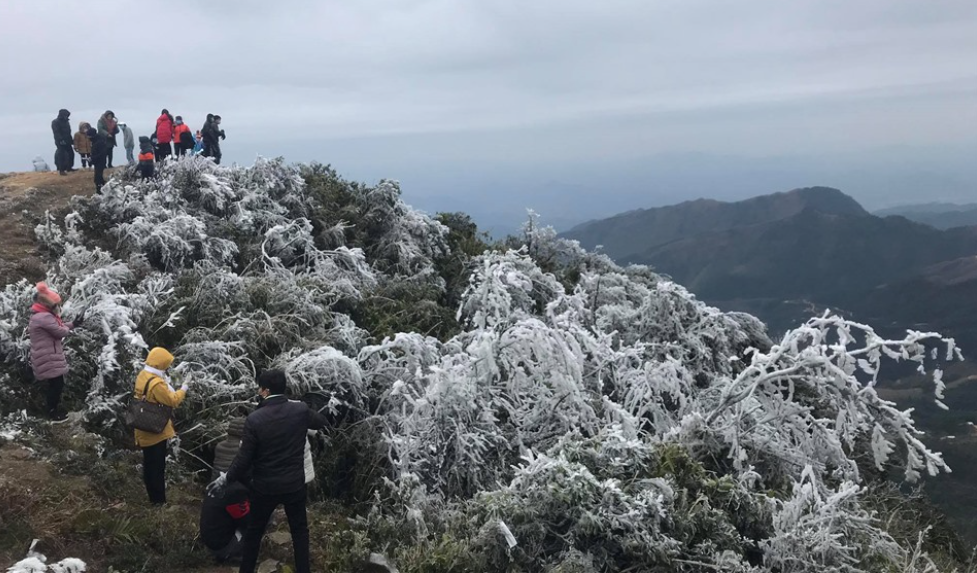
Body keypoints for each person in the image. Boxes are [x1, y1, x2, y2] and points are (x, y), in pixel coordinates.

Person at [213, 369, 327, 573]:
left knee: (254, 533)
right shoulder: (299, 410)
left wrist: (226, 478)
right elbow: (320, 421)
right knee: (300, 532)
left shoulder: (255, 419)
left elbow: (243, 459)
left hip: (265, 487)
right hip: (294, 485)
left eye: (260, 388)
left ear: (264, 391)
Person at [133, 347, 188, 505]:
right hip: (155, 430)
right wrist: (184, 387)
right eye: (167, 365)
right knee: (157, 467)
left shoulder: (143, 375)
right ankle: (159, 502)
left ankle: (153, 498)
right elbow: (173, 400)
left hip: (142, 426)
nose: (168, 368)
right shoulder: (157, 384)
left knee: (149, 464)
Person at [28, 282, 81, 420]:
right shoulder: (44, 317)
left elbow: (59, 326)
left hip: (47, 355)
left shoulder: (41, 315)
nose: (59, 307)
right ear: (50, 305)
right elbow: (60, 331)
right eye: (57, 304)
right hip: (48, 357)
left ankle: (51, 410)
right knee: (57, 385)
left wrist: (74, 324)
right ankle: (52, 413)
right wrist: (70, 328)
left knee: (54, 384)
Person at [200, 480, 251, 564]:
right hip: (222, 547)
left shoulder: (221, 482)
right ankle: (235, 555)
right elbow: (246, 521)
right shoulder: (236, 491)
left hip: (211, 540)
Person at [51, 109, 74, 175]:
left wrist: (71, 140)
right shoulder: (55, 122)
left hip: (68, 140)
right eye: (66, 115)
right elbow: (56, 132)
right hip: (60, 142)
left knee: (71, 154)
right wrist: (61, 140)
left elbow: (69, 132)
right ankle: (61, 170)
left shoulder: (66, 122)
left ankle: (69, 167)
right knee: (61, 155)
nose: (67, 116)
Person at [88, 127, 109, 191]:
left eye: (89, 136)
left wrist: (92, 158)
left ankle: (100, 190)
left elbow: (101, 154)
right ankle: (102, 188)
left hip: (100, 162)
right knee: (98, 177)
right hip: (97, 161)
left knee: (97, 178)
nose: (88, 138)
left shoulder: (99, 142)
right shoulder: (96, 141)